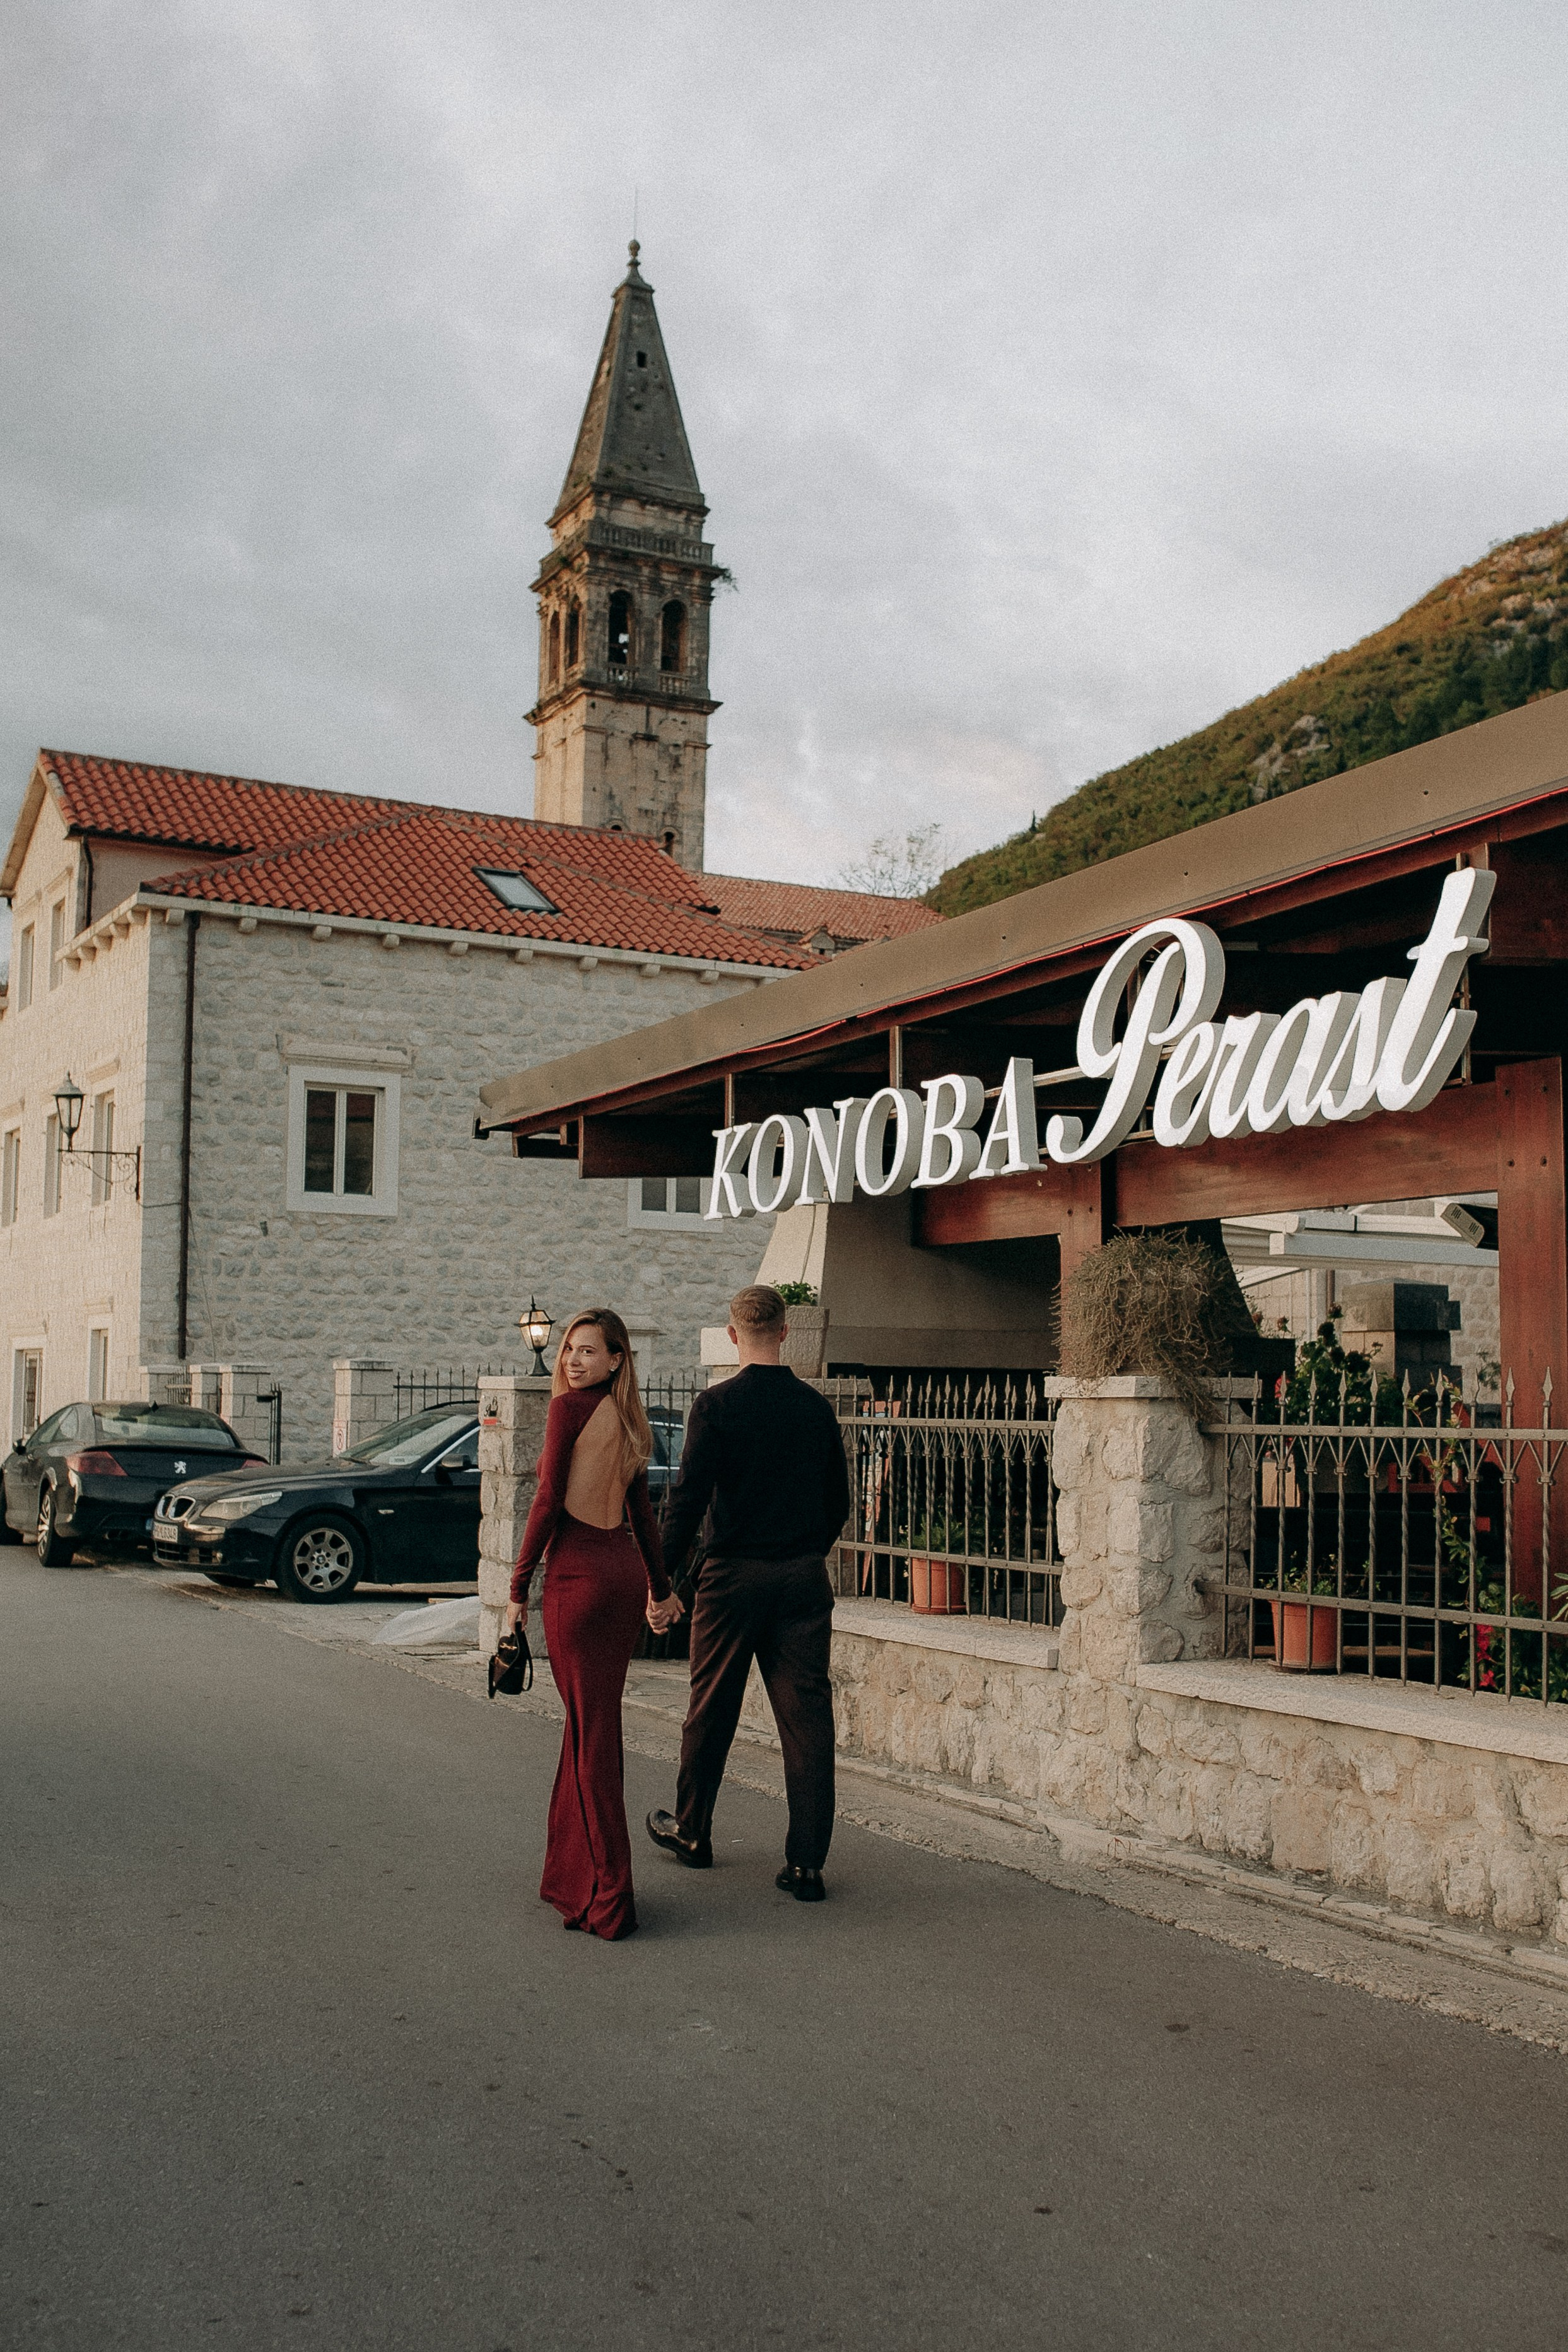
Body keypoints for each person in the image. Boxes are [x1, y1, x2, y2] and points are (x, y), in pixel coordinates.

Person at [647, 1284, 850, 1902]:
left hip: (732, 1578)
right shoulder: (814, 1409)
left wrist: (662, 1583)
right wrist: (806, 1547)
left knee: (709, 1708)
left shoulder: (715, 1406)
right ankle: (806, 1864)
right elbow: (837, 1502)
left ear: (733, 1335)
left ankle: (692, 1832)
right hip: (799, 1577)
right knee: (807, 1719)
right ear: (785, 1332)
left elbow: (685, 1501)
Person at [507, 1308, 682, 1940]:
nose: (573, 1360)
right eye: (568, 1351)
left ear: (616, 1359)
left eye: (587, 1351)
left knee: (590, 1739)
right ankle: (569, 1877)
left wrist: (515, 1585)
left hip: (578, 1583)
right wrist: (659, 1591)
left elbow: (549, 1500)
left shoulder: (568, 1412)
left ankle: (609, 1895)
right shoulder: (627, 1415)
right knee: (590, 1730)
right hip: (619, 1578)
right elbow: (642, 1514)